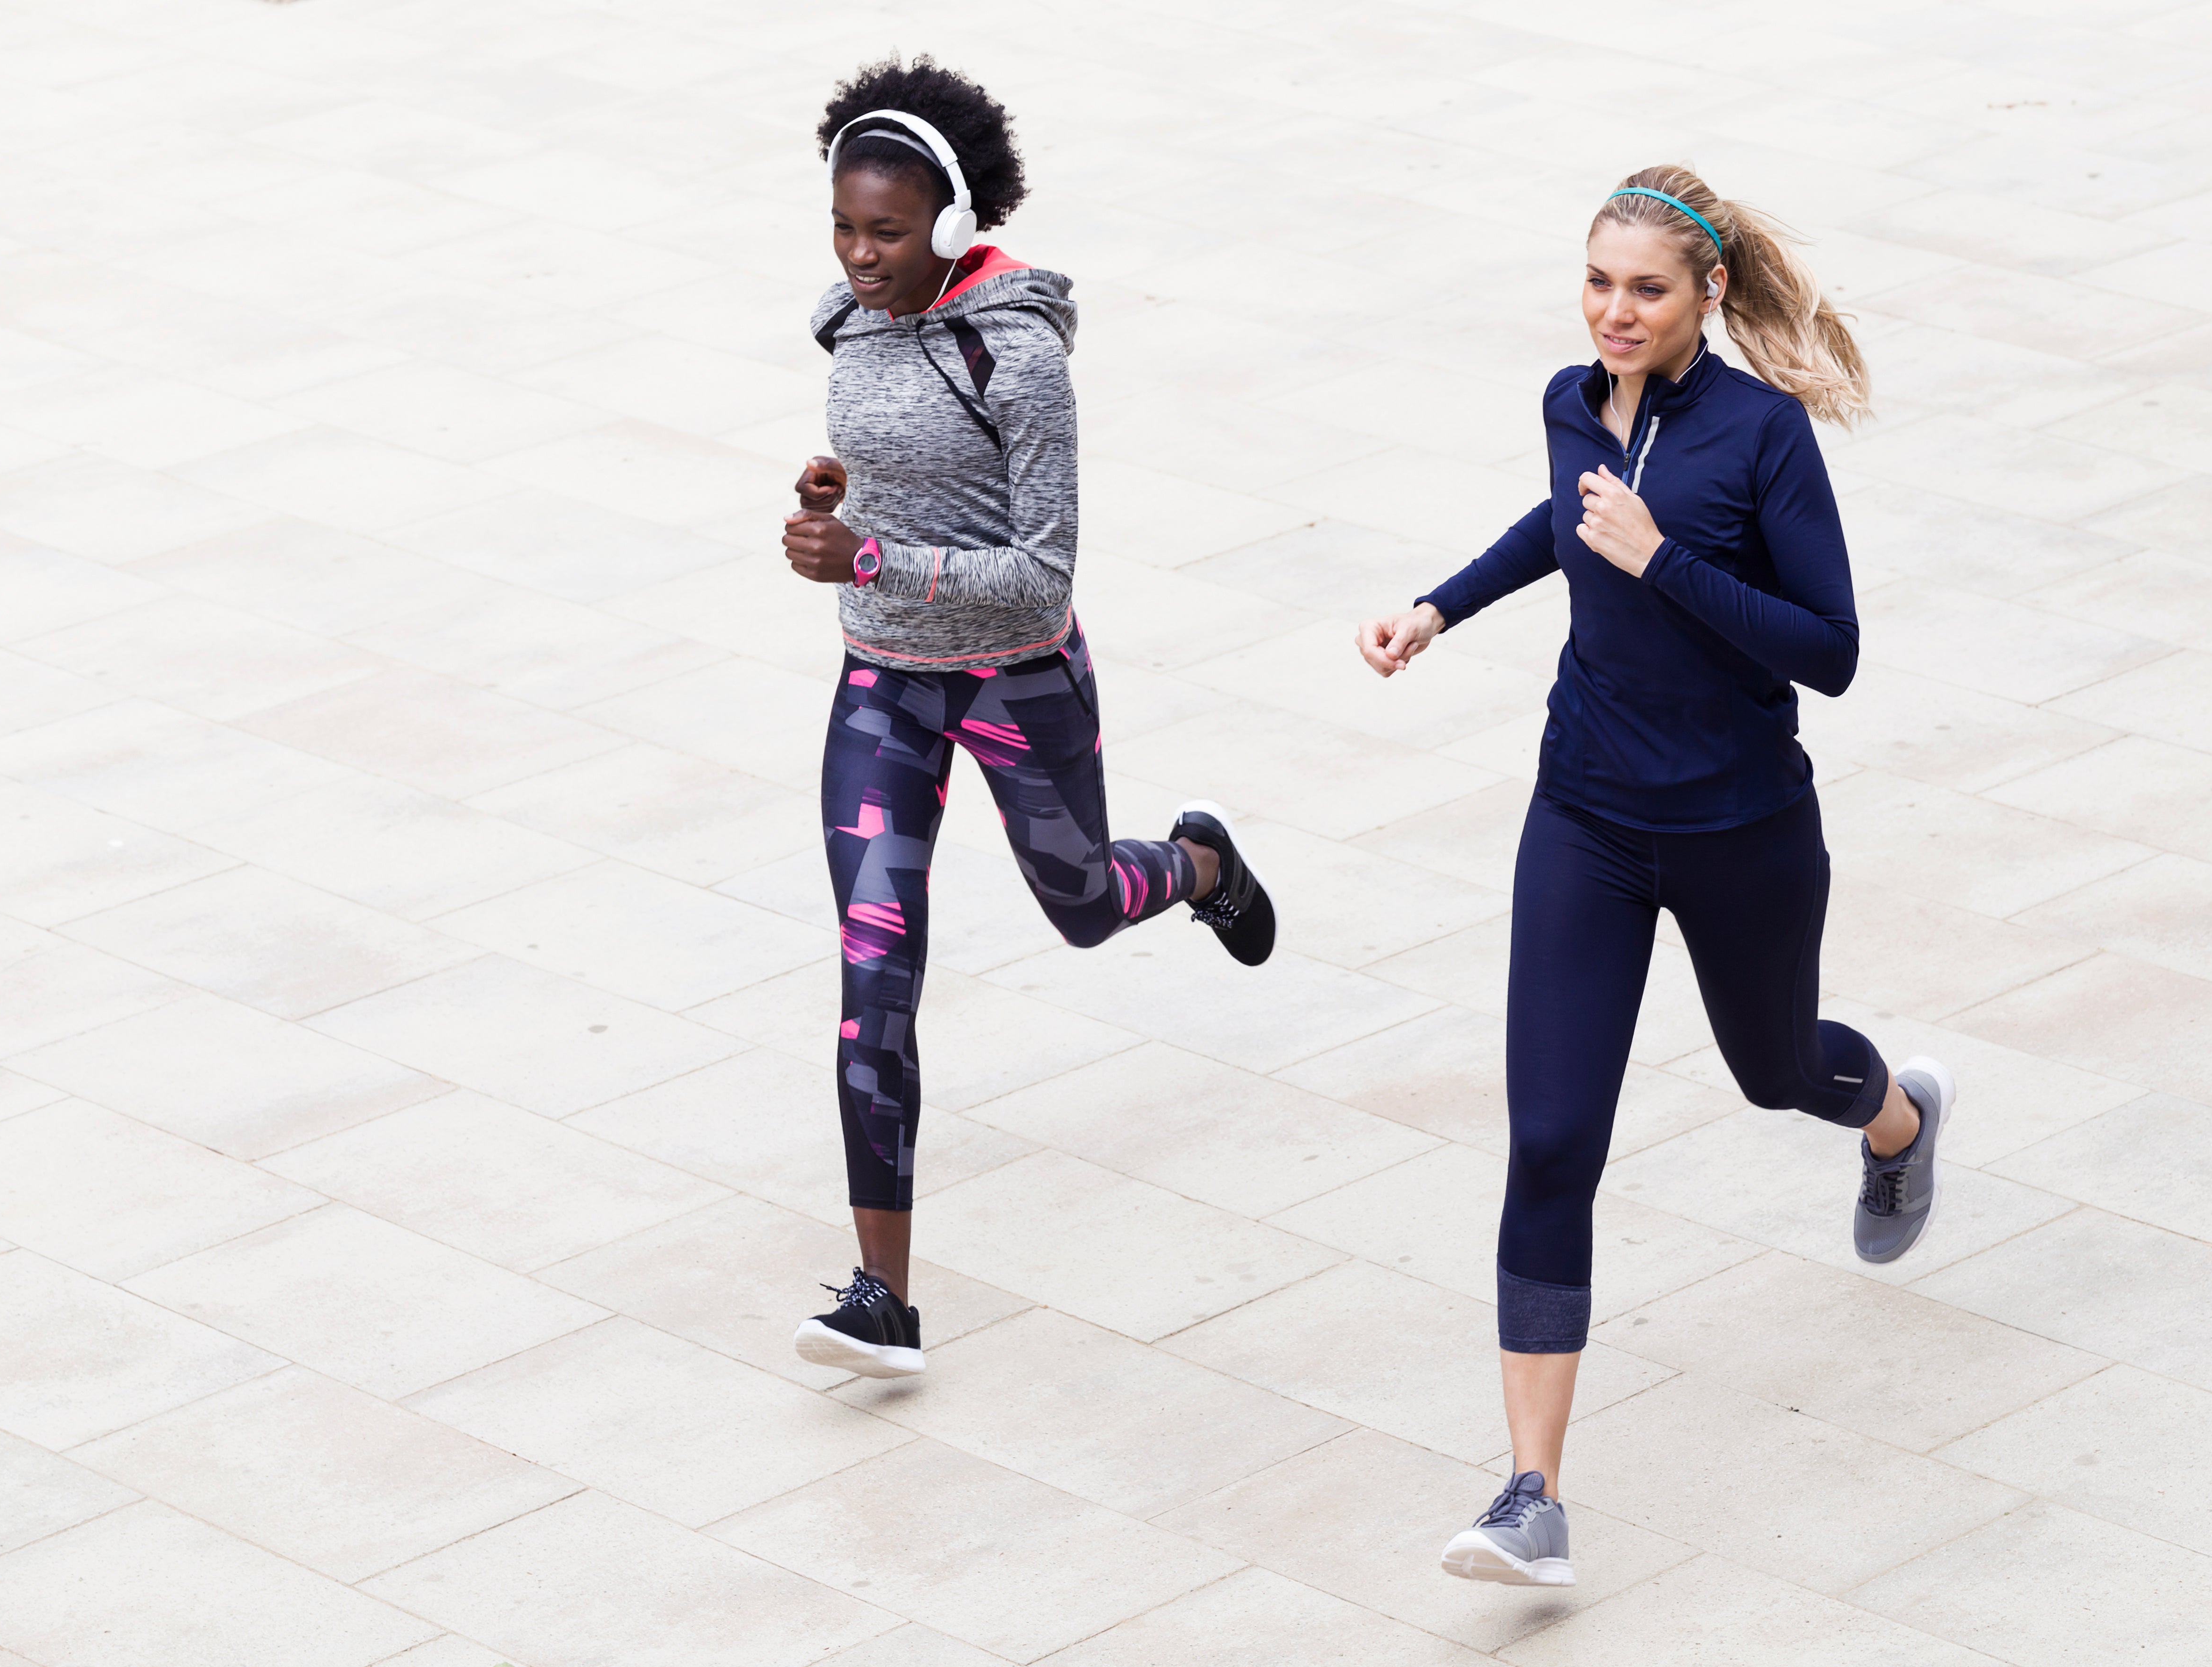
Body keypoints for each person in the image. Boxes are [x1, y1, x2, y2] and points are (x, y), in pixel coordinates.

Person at [1352, 165, 1955, 1588]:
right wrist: (1438, 606)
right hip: (1587, 815)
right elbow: (1557, 522)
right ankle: (1528, 1495)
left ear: (1708, 298)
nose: (1614, 313)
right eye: (1598, 282)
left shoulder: (1764, 437)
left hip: (1741, 826)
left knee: (1771, 1068)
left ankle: (1890, 1116)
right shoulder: (1574, 400)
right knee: (1552, 1140)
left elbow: (1830, 650)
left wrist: (1665, 558)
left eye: (1646, 290)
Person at [782, 57, 1275, 1382]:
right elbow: (886, 467)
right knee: (874, 972)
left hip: (1015, 677)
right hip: (883, 682)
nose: (859, 253)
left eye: (886, 231)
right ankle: (881, 1296)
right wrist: (837, 498)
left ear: (949, 221)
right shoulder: (847, 320)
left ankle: (1200, 864)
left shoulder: (1016, 350)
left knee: (1079, 899)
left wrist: (874, 561)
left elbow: (1045, 573)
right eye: (843, 225)